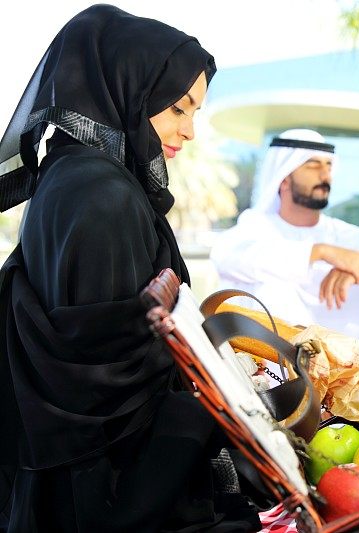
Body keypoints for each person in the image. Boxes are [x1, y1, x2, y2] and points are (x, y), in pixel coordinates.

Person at [0, 6, 260, 531]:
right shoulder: (102, 196)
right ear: (128, 87)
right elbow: (106, 371)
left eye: (195, 114)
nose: (188, 132)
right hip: (106, 491)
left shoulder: (69, 177)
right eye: (178, 108)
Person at [211, 129, 359, 339]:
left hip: (352, 348)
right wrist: (321, 252)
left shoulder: (339, 232)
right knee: (265, 282)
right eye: (313, 165)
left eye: (329, 166)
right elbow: (226, 257)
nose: (325, 175)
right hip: (278, 353)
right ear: (284, 178)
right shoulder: (257, 225)